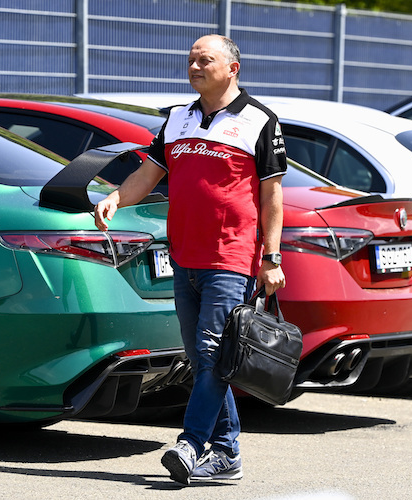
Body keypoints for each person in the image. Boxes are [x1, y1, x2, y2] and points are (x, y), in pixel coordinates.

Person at [94, 34, 287, 485]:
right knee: (204, 361)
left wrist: (272, 257)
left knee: (211, 351)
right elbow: (149, 173)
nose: (195, 66)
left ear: (233, 68)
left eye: (206, 60)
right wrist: (116, 198)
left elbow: (272, 194)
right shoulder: (177, 119)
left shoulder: (260, 120)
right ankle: (227, 453)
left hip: (232, 255)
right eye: (191, 60)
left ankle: (191, 443)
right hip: (184, 256)